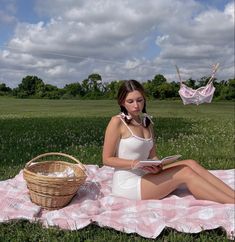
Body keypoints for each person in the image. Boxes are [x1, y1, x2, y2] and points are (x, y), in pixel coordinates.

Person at [102, 79, 235, 204]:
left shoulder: (147, 123)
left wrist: (157, 165)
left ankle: (232, 195)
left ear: (144, 100)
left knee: (190, 163)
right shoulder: (117, 122)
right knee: (185, 173)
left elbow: (152, 155)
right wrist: (136, 164)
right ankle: (231, 202)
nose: (136, 105)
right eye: (130, 101)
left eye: (139, 100)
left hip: (146, 174)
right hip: (128, 184)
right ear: (122, 102)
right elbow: (107, 159)